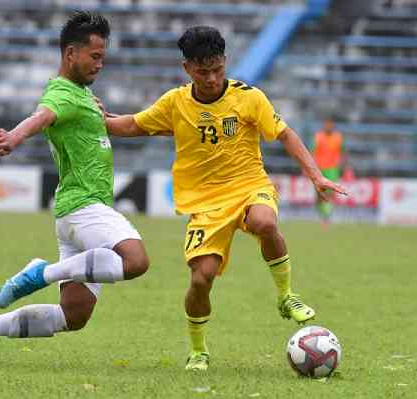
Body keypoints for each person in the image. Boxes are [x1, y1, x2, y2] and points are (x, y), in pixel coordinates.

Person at [102, 26, 347, 371]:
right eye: (203, 71)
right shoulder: (175, 103)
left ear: (225, 62)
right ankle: (198, 350)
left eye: (218, 68)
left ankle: (285, 295)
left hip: (249, 185)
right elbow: (132, 125)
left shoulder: (249, 97)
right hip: (205, 205)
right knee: (201, 278)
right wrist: (97, 118)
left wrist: (316, 176)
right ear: (187, 68)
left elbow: (285, 134)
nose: (213, 78)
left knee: (264, 221)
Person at [0, 11, 150, 367]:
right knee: (135, 261)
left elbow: (81, 120)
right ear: (70, 53)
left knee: (72, 316)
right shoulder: (62, 92)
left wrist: (102, 113)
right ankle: (41, 272)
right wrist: (14, 136)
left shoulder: (82, 94)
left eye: (103, 57)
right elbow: (43, 115)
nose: (100, 64)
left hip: (76, 213)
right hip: (84, 206)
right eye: (94, 56)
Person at [313, 118, 344, 226]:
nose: (329, 126)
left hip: (332, 169)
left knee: (330, 195)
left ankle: (326, 218)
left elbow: (342, 153)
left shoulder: (338, 137)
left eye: (330, 124)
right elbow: (312, 152)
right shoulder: (318, 137)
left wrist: (344, 167)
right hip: (319, 169)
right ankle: (323, 215)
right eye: (327, 124)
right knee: (319, 195)